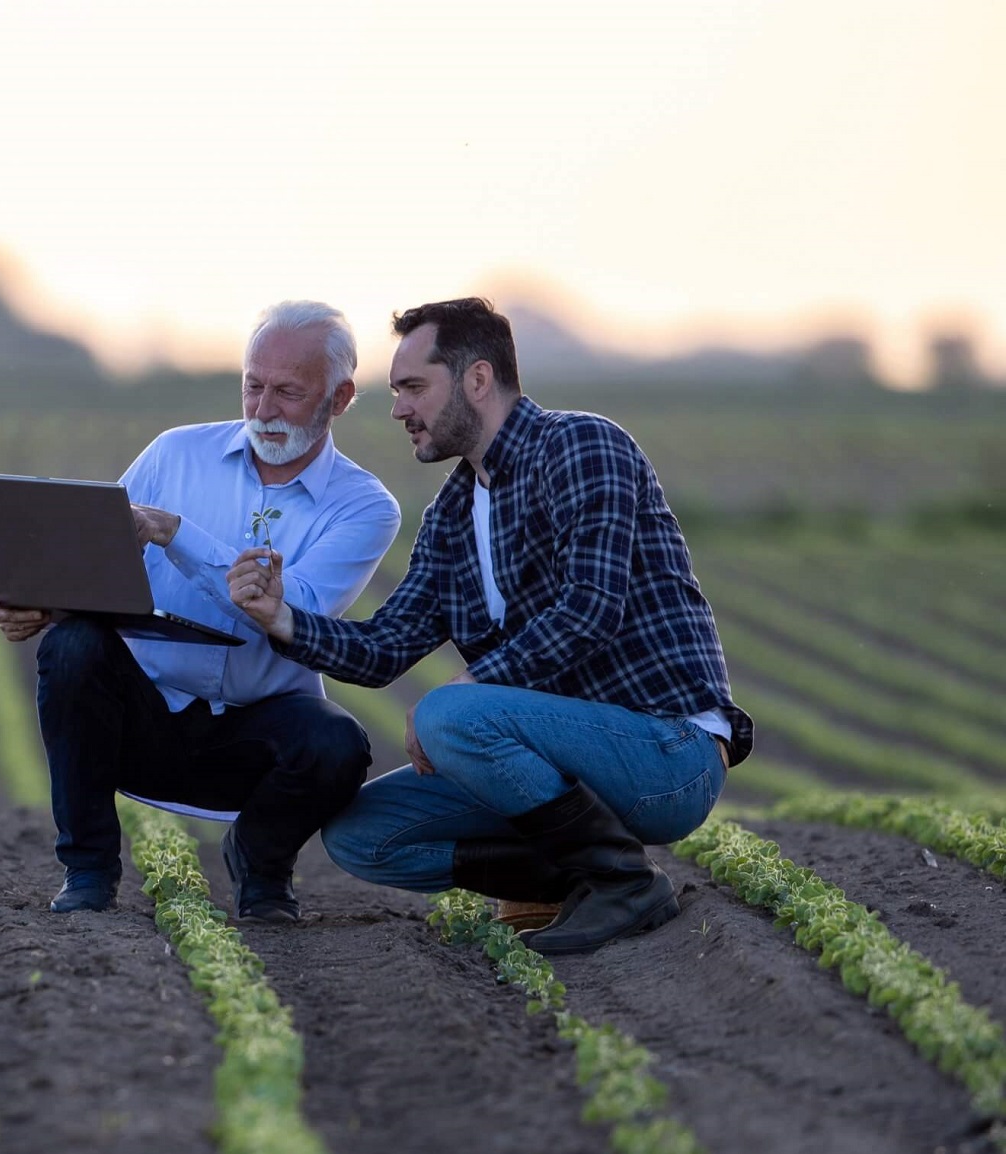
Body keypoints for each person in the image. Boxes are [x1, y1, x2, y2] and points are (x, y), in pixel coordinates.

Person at [227, 297, 750, 954]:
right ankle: (563, 880)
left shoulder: (582, 446)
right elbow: (384, 649)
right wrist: (281, 618)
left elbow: (591, 610)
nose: (398, 410)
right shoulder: (452, 513)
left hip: (664, 753)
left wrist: (467, 690)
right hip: (551, 764)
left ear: (477, 379)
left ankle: (623, 883)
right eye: (395, 391)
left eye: (414, 387)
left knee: (452, 714)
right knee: (361, 835)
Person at [0, 301, 401, 920]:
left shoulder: (365, 506)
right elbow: (96, 557)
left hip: (254, 731)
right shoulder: (173, 454)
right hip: (144, 718)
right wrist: (34, 603)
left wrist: (177, 532)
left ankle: (261, 868)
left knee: (337, 742)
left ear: (340, 398)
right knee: (71, 647)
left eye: (288, 393)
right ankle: (88, 871)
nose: (263, 410)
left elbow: (301, 610)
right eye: (252, 386)